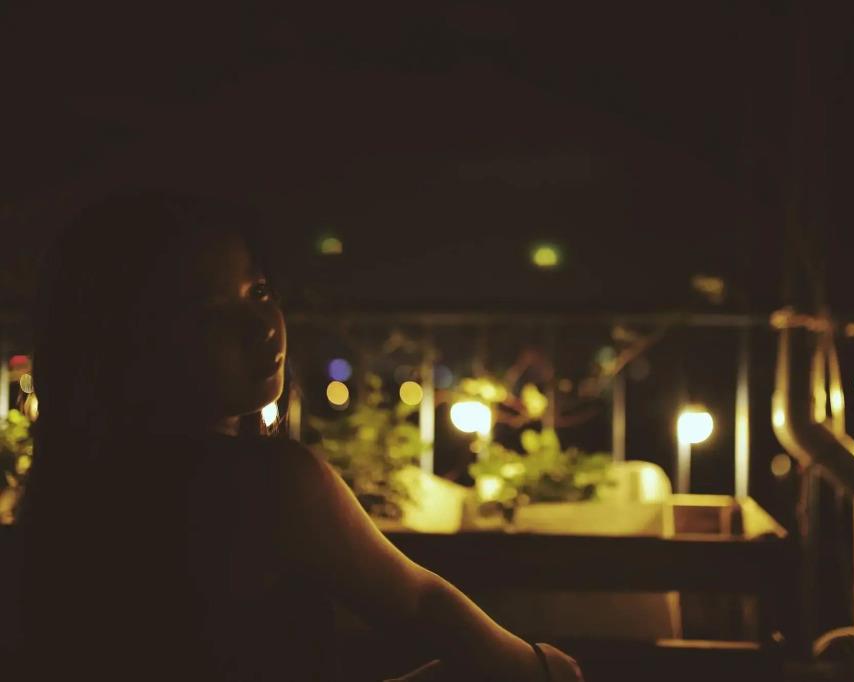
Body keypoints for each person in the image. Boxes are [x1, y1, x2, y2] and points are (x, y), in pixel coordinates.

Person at [19, 191, 583, 681]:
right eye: (211, 311)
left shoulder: (75, 489)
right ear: (131, 342)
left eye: (259, 291)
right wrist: (541, 668)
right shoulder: (262, 483)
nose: (262, 327)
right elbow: (421, 606)